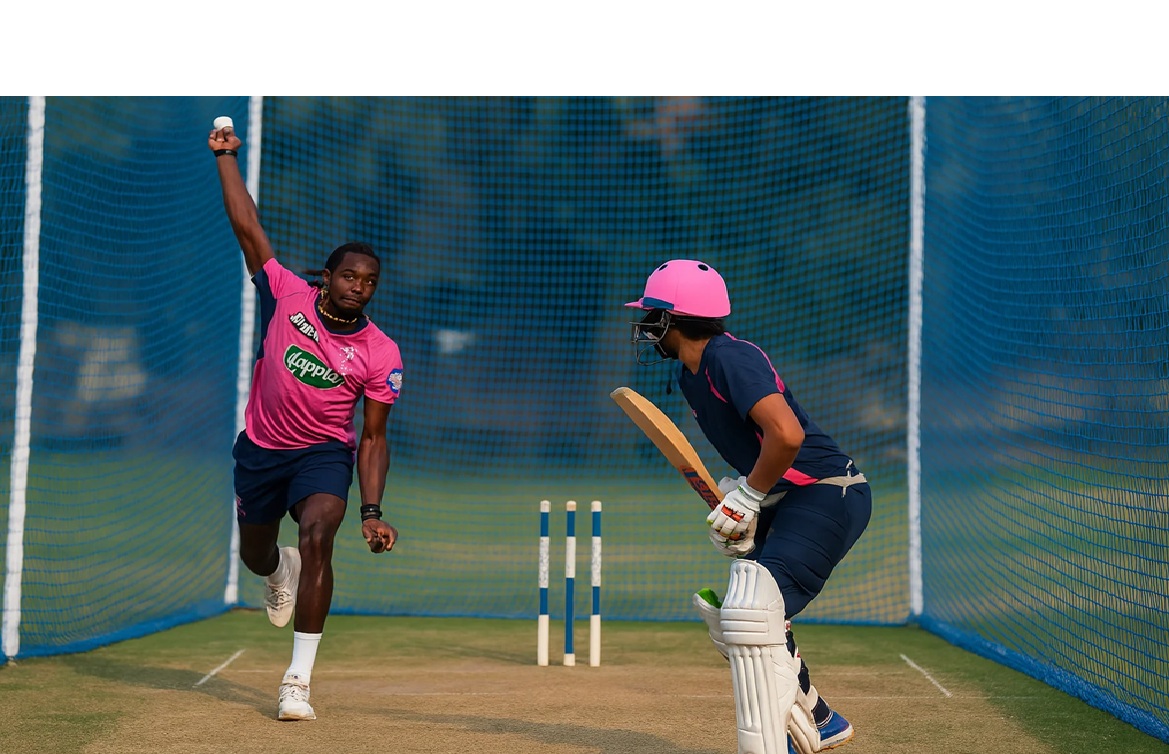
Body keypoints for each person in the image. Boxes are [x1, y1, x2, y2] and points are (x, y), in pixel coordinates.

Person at [625, 259, 871, 754]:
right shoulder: (692, 376)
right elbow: (760, 447)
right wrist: (743, 494)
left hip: (827, 491)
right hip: (791, 498)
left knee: (751, 609)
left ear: (675, 319)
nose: (646, 324)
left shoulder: (729, 359)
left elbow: (787, 435)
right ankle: (820, 719)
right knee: (736, 613)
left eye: (653, 313)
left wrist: (750, 497)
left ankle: (775, 742)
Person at [209, 122, 403, 721]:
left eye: (369, 282)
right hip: (261, 451)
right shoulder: (286, 294)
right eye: (349, 277)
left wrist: (371, 511)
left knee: (319, 536)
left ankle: (297, 681)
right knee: (257, 555)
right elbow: (248, 228)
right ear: (327, 276)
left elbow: (372, 437)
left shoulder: (380, 352)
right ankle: (278, 571)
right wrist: (226, 159)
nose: (359, 288)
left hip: (323, 456)